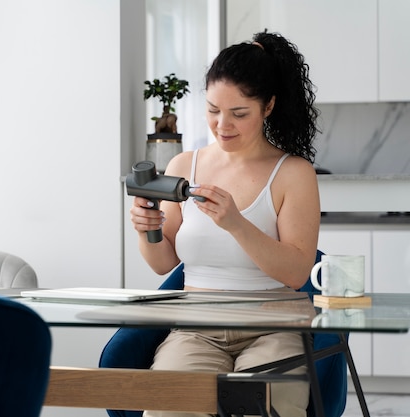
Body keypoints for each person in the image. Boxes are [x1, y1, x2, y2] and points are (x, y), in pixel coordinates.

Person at [129, 30, 320, 417]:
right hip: (196, 328)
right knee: (167, 408)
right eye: (213, 109)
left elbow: (298, 272)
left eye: (238, 113)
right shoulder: (184, 166)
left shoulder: (293, 173)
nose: (222, 125)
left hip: (273, 328)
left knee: (263, 407)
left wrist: (236, 223)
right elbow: (163, 263)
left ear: (267, 107)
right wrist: (145, 228)